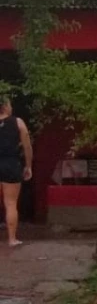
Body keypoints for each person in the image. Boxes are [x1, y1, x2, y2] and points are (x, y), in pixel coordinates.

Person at [0, 99, 32, 247]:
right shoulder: (18, 122)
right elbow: (27, 147)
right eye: (10, 104)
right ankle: (12, 239)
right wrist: (28, 166)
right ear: (5, 106)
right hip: (11, 164)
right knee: (11, 203)